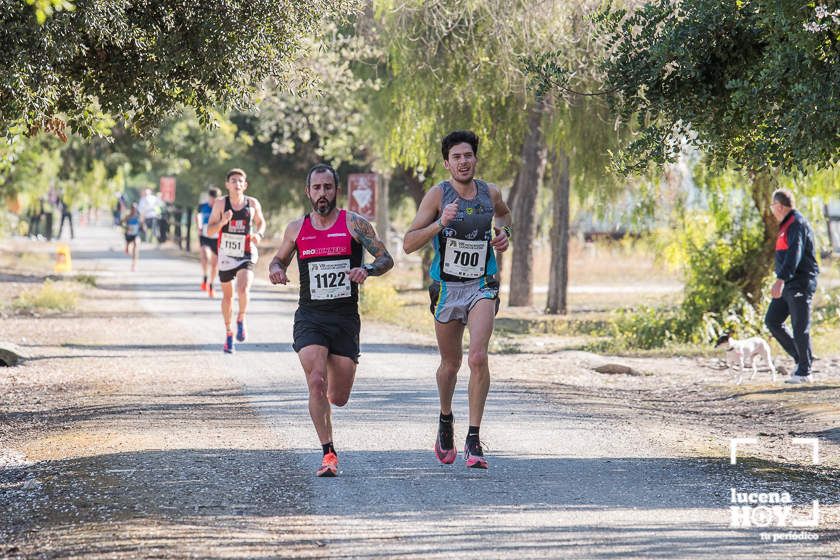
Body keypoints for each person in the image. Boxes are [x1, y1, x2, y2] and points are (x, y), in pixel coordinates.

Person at [268, 163, 394, 477]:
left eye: (327, 187)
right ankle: (328, 453)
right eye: (316, 188)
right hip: (311, 316)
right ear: (308, 191)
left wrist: (368, 270)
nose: (322, 193)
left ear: (336, 190)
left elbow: (385, 258)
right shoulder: (296, 229)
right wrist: (276, 269)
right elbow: (278, 258)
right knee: (315, 381)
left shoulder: (354, 224)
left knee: (337, 397)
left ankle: (325, 404)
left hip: (345, 319)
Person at [403, 130, 512, 470]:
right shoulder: (438, 194)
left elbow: (505, 215)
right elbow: (408, 243)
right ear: (446, 162)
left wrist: (504, 233)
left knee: (478, 357)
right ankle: (446, 418)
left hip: (482, 284)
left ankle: (474, 438)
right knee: (450, 364)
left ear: (475, 159)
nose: (463, 161)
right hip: (447, 288)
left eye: (468, 155)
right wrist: (440, 223)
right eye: (457, 157)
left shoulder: (489, 192)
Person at [206, 169, 266, 353]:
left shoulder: (252, 203)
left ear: (245, 185)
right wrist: (223, 222)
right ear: (227, 184)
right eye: (233, 180)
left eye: (240, 181)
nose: (237, 184)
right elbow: (209, 231)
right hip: (226, 254)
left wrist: (258, 234)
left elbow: (261, 222)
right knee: (227, 296)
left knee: (243, 287)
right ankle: (229, 332)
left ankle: (241, 318)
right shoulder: (220, 204)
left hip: (246, 252)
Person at [765, 188, 820, 384]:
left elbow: (794, 254)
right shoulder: (785, 225)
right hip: (788, 283)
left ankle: (805, 371)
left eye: (772, 206)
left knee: (800, 326)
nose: (772, 210)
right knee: (773, 320)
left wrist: (780, 279)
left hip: (800, 282)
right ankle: (801, 358)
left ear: (779, 206)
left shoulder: (796, 223)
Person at [196, 187, 221, 298]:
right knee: (205, 255)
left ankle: (211, 284)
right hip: (205, 236)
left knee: (215, 264)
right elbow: (197, 216)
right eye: (211, 200)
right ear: (208, 198)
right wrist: (199, 227)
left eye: (215, 200)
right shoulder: (202, 206)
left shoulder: (222, 208)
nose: (212, 202)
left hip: (216, 238)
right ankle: (205, 276)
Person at [122, 203, 143, 271]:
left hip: (136, 234)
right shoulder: (128, 216)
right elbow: (121, 223)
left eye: (135, 208)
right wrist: (126, 227)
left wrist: (142, 227)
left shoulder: (139, 217)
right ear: (131, 209)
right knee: (128, 251)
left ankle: (133, 265)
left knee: (136, 246)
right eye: (133, 208)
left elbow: (142, 225)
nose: (134, 210)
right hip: (129, 235)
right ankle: (127, 247)